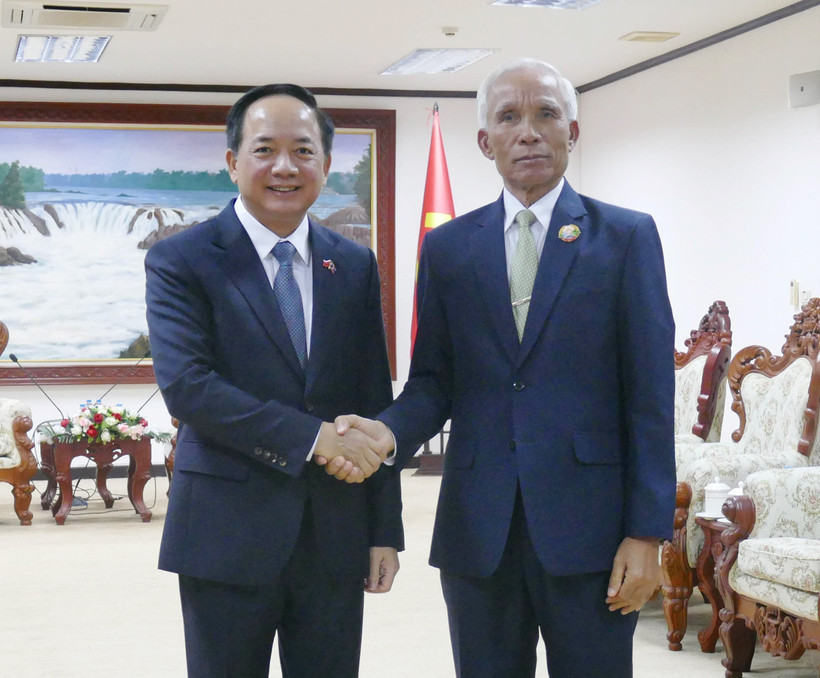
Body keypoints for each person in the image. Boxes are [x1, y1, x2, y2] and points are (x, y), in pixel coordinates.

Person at [333, 58, 675, 677]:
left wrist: (647, 533)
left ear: (573, 131)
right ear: (486, 140)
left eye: (547, 114)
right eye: (509, 117)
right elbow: (435, 381)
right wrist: (388, 433)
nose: (529, 132)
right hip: (478, 529)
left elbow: (651, 396)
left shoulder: (625, 237)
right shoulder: (449, 247)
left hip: (590, 531)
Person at [144, 83, 403, 678]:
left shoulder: (354, 264)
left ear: (326, 164)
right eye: (265, 149)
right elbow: (188, 385)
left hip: (335, 534)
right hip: (225, 532)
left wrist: (383, 530)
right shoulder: (181, 260)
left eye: (303, 150)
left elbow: (372, 396)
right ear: (233, 161)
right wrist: (315, 438)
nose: (285, 167)